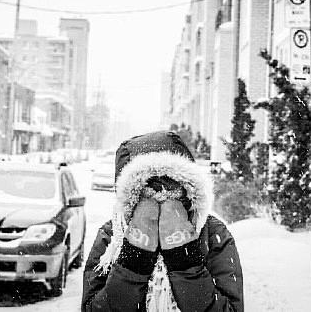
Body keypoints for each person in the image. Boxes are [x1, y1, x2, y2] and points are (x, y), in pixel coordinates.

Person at [82, 131, 244, 311]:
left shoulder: (213, 234)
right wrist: (134, 261)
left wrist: (185, 260)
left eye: (170, 186)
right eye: (148, 189)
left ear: (188, 189)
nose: (161, 196)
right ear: (130, 196)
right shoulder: (111, 236)